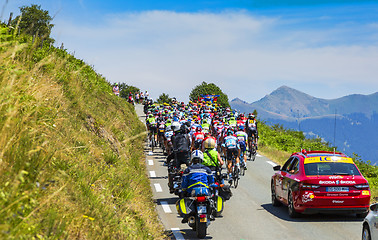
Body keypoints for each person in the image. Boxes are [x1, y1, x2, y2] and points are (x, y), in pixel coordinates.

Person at [180, 150, 215, 223]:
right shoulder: (207, 169)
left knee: (185, 199)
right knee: (211, 200)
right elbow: (211, 182)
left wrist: (183, 190)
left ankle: (187, 215)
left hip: (192, 191)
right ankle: (210, 214)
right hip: (205, 190)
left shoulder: (188, 169)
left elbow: (184, 182)